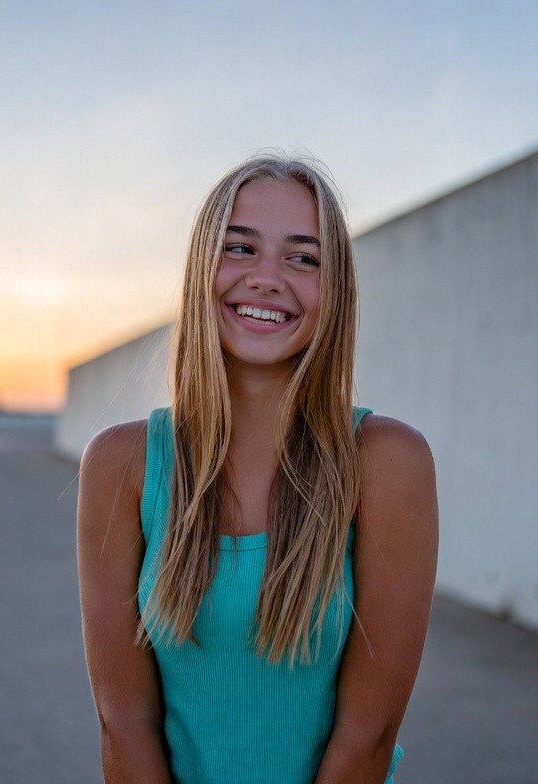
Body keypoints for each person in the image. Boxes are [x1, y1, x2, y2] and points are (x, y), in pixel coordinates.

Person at [77, 153, 438, 784]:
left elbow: (368, 734)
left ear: (336, 291)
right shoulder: (122, 464)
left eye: (303, 258)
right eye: (239, 248)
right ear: (201, 270)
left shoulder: (386, 463)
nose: (267, 278)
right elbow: (122, 721)